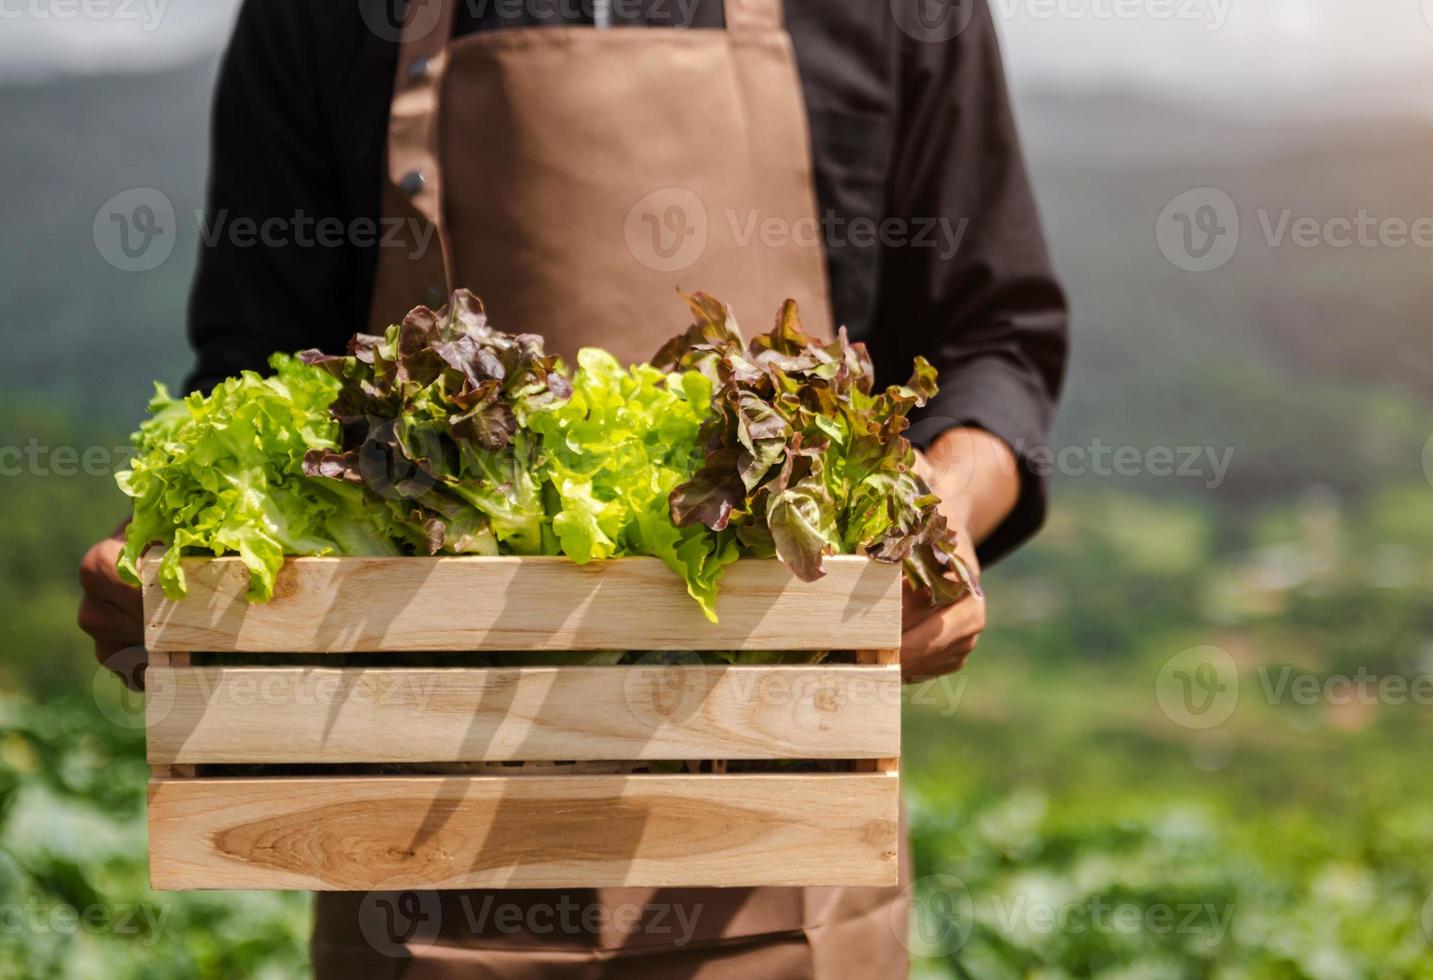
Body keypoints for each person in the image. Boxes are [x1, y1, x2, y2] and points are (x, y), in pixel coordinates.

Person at [77, 0, 1067, 974]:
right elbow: (258, 364)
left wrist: (942, 510)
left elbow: (994, 339)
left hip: (792, 864)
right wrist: (181, 537)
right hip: (409, 861)